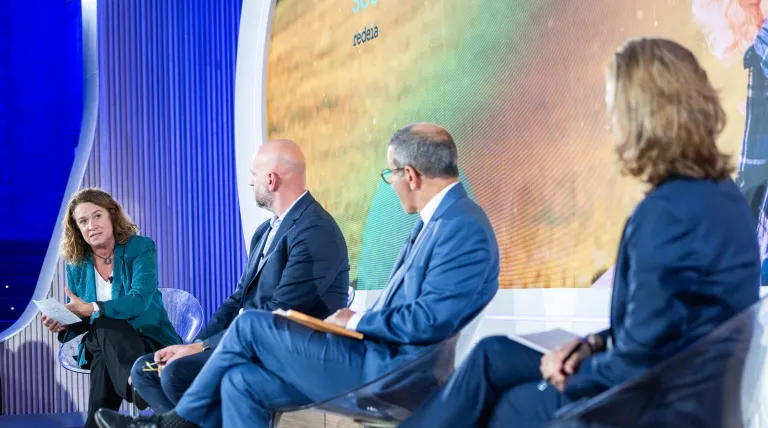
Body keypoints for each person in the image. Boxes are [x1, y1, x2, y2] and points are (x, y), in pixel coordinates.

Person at [400, 38, 763, 428]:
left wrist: (573, 374)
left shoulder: (666, 214)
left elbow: (637, 361)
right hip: (680, 388)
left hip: (652, 405)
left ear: (644, 117)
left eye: (615, 112)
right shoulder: (724, 198)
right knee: (492, 355)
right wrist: (589, 345)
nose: (609, 126)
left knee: (506, 408)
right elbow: (667, 326)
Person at [94, 123, 501, 428]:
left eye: (390, 175)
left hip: (393, 370)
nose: (391, 184)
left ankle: (171, 426)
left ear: (410, 175)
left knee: (251, 326)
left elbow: (430, 321)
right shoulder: (438, 222)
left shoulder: (461, 227)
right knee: (240, 381)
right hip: (374, 355)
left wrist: (357, 320)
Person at [129, 139, 350, 413]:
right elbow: (237, 300)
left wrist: (201, 349)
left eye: (253, 174)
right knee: (144, 370)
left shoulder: (316, 230)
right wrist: (195, 344)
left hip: (282, 352)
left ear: (270, 179)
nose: (250, 182)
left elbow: (276, 315)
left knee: (177, 373)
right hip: (245, 343)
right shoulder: (265, 231)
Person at [43, 188, 181, 428]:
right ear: (77, 229)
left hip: (147, 340)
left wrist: (92, 308)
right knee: (103, 328)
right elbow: (85, 316)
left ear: (112, 215)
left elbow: (139, 300)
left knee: (103, 336)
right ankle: (136, 382)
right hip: (108, 343)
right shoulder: (76, 264)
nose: (91, 225)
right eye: (83, 221)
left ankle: (99, 420)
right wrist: (66, 321)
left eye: (97, 216)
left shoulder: (140, 248)